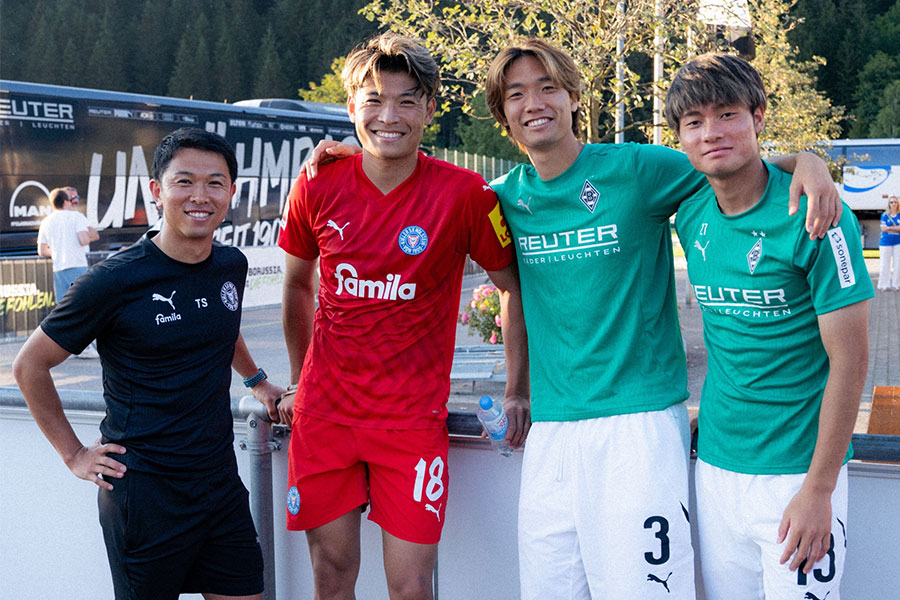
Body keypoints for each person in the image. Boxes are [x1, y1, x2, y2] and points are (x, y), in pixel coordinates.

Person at [303, 38, 839, 599]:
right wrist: (346, 148)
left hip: (639, 424)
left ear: (573, 96)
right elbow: (424, 190)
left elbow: (727, 159)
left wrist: (807, 162)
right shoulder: (500, 196)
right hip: (551, 433)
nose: (534, 103)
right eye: (516, 94)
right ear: (502, 114)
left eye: (547, 87)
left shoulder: (637, 169)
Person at [277, 33, 528, 600]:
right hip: (325, 419)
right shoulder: (318, 182)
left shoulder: (465, 194)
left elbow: (513, 290)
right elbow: (296, 284)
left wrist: (518, 388)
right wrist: (299, 379)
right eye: (373, 100)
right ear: (351, 109)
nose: (389, 116)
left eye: (407, 100)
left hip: (411, 423)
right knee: (331, 576)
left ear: (430, 110)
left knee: (412, 587)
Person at [13, 127, 284, 600]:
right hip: (145, 496)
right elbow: (29, 366)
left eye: (215, 183)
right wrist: (74, 455)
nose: (200, 196)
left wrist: (258, 382)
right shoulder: (113, 281)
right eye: (184, 182)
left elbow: (222, 323)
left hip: (219, 484)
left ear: (231, 194)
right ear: (157, 192)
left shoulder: (230, 265)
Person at [666, 52, 872, 600]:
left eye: (727, 113)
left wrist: (819, 489)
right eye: (694, 123)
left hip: (796, 478)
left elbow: (851, 364)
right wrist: (804, 156)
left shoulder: (820, 217)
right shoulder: (690, 211)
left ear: (757, 116)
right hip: (714, 471)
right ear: (681, 138)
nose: (712, 132)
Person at [37, 186, 99, 305]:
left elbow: (42, 250)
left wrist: (57, 251)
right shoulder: (76, 217)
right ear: (65, 202)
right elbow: (84, 240)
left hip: (59, 269)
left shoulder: (45, 222)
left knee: (64, 307)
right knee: (84, 303)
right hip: (78, 265)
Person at [878, 195, 900, 290]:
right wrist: (896, 229)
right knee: (884, 264)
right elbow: (883, 228)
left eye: (895, 202)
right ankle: (884, 285)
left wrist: (889, 228)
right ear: (889, 204)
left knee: (898, 264)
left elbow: (887, 228)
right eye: (891, 202)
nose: (893, 204)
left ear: (898, 204)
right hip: (885, 243)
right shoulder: (884, 215)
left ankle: (897, 285)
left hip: (898, 242)